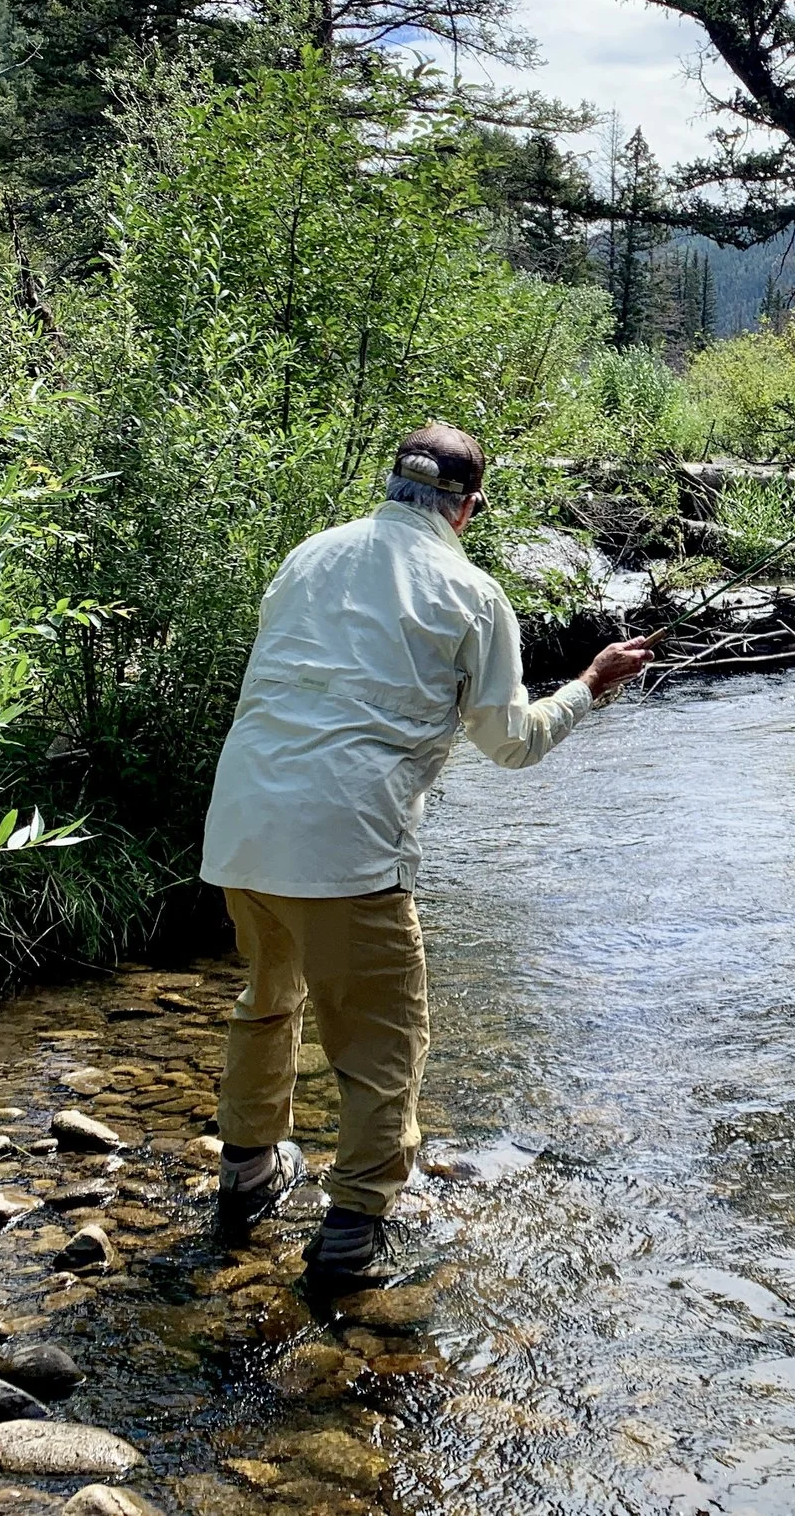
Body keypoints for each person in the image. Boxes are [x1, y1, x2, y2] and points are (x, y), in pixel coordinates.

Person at [199, 422, 652, 1288]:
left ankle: (247, 1175)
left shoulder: (309, 554)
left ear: (392, 487)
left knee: (267, 1000)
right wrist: (591, 687)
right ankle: (353, 1230)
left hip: (242, 824)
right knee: (383, 1042)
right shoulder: (472, 594)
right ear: (467, 508)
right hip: (350, 845)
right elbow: (512, 743)